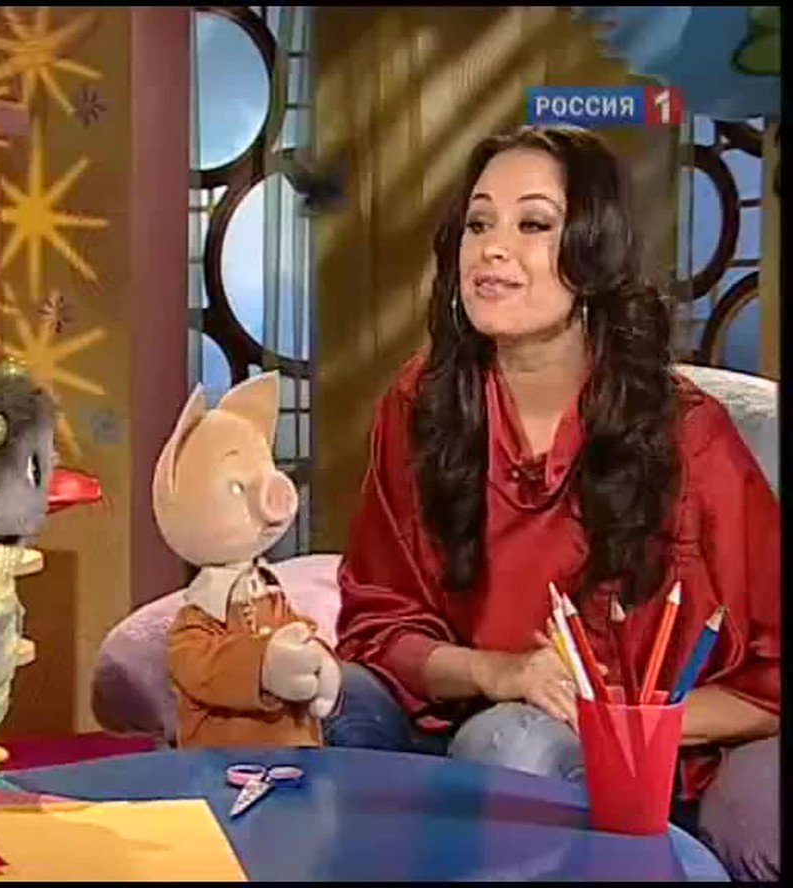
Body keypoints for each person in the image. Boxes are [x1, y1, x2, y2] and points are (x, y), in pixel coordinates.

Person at [325, 126, 780, 881]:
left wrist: (627, 723)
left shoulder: (685, 435)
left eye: (533, 224)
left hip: (624, 761)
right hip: (449, 718)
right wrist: (497, 672)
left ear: (593, 252)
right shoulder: (420, 403)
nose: (492, 249)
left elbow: (769, 674)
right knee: (323, 700)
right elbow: (380, 625)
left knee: (512, 743)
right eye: (478, 224)